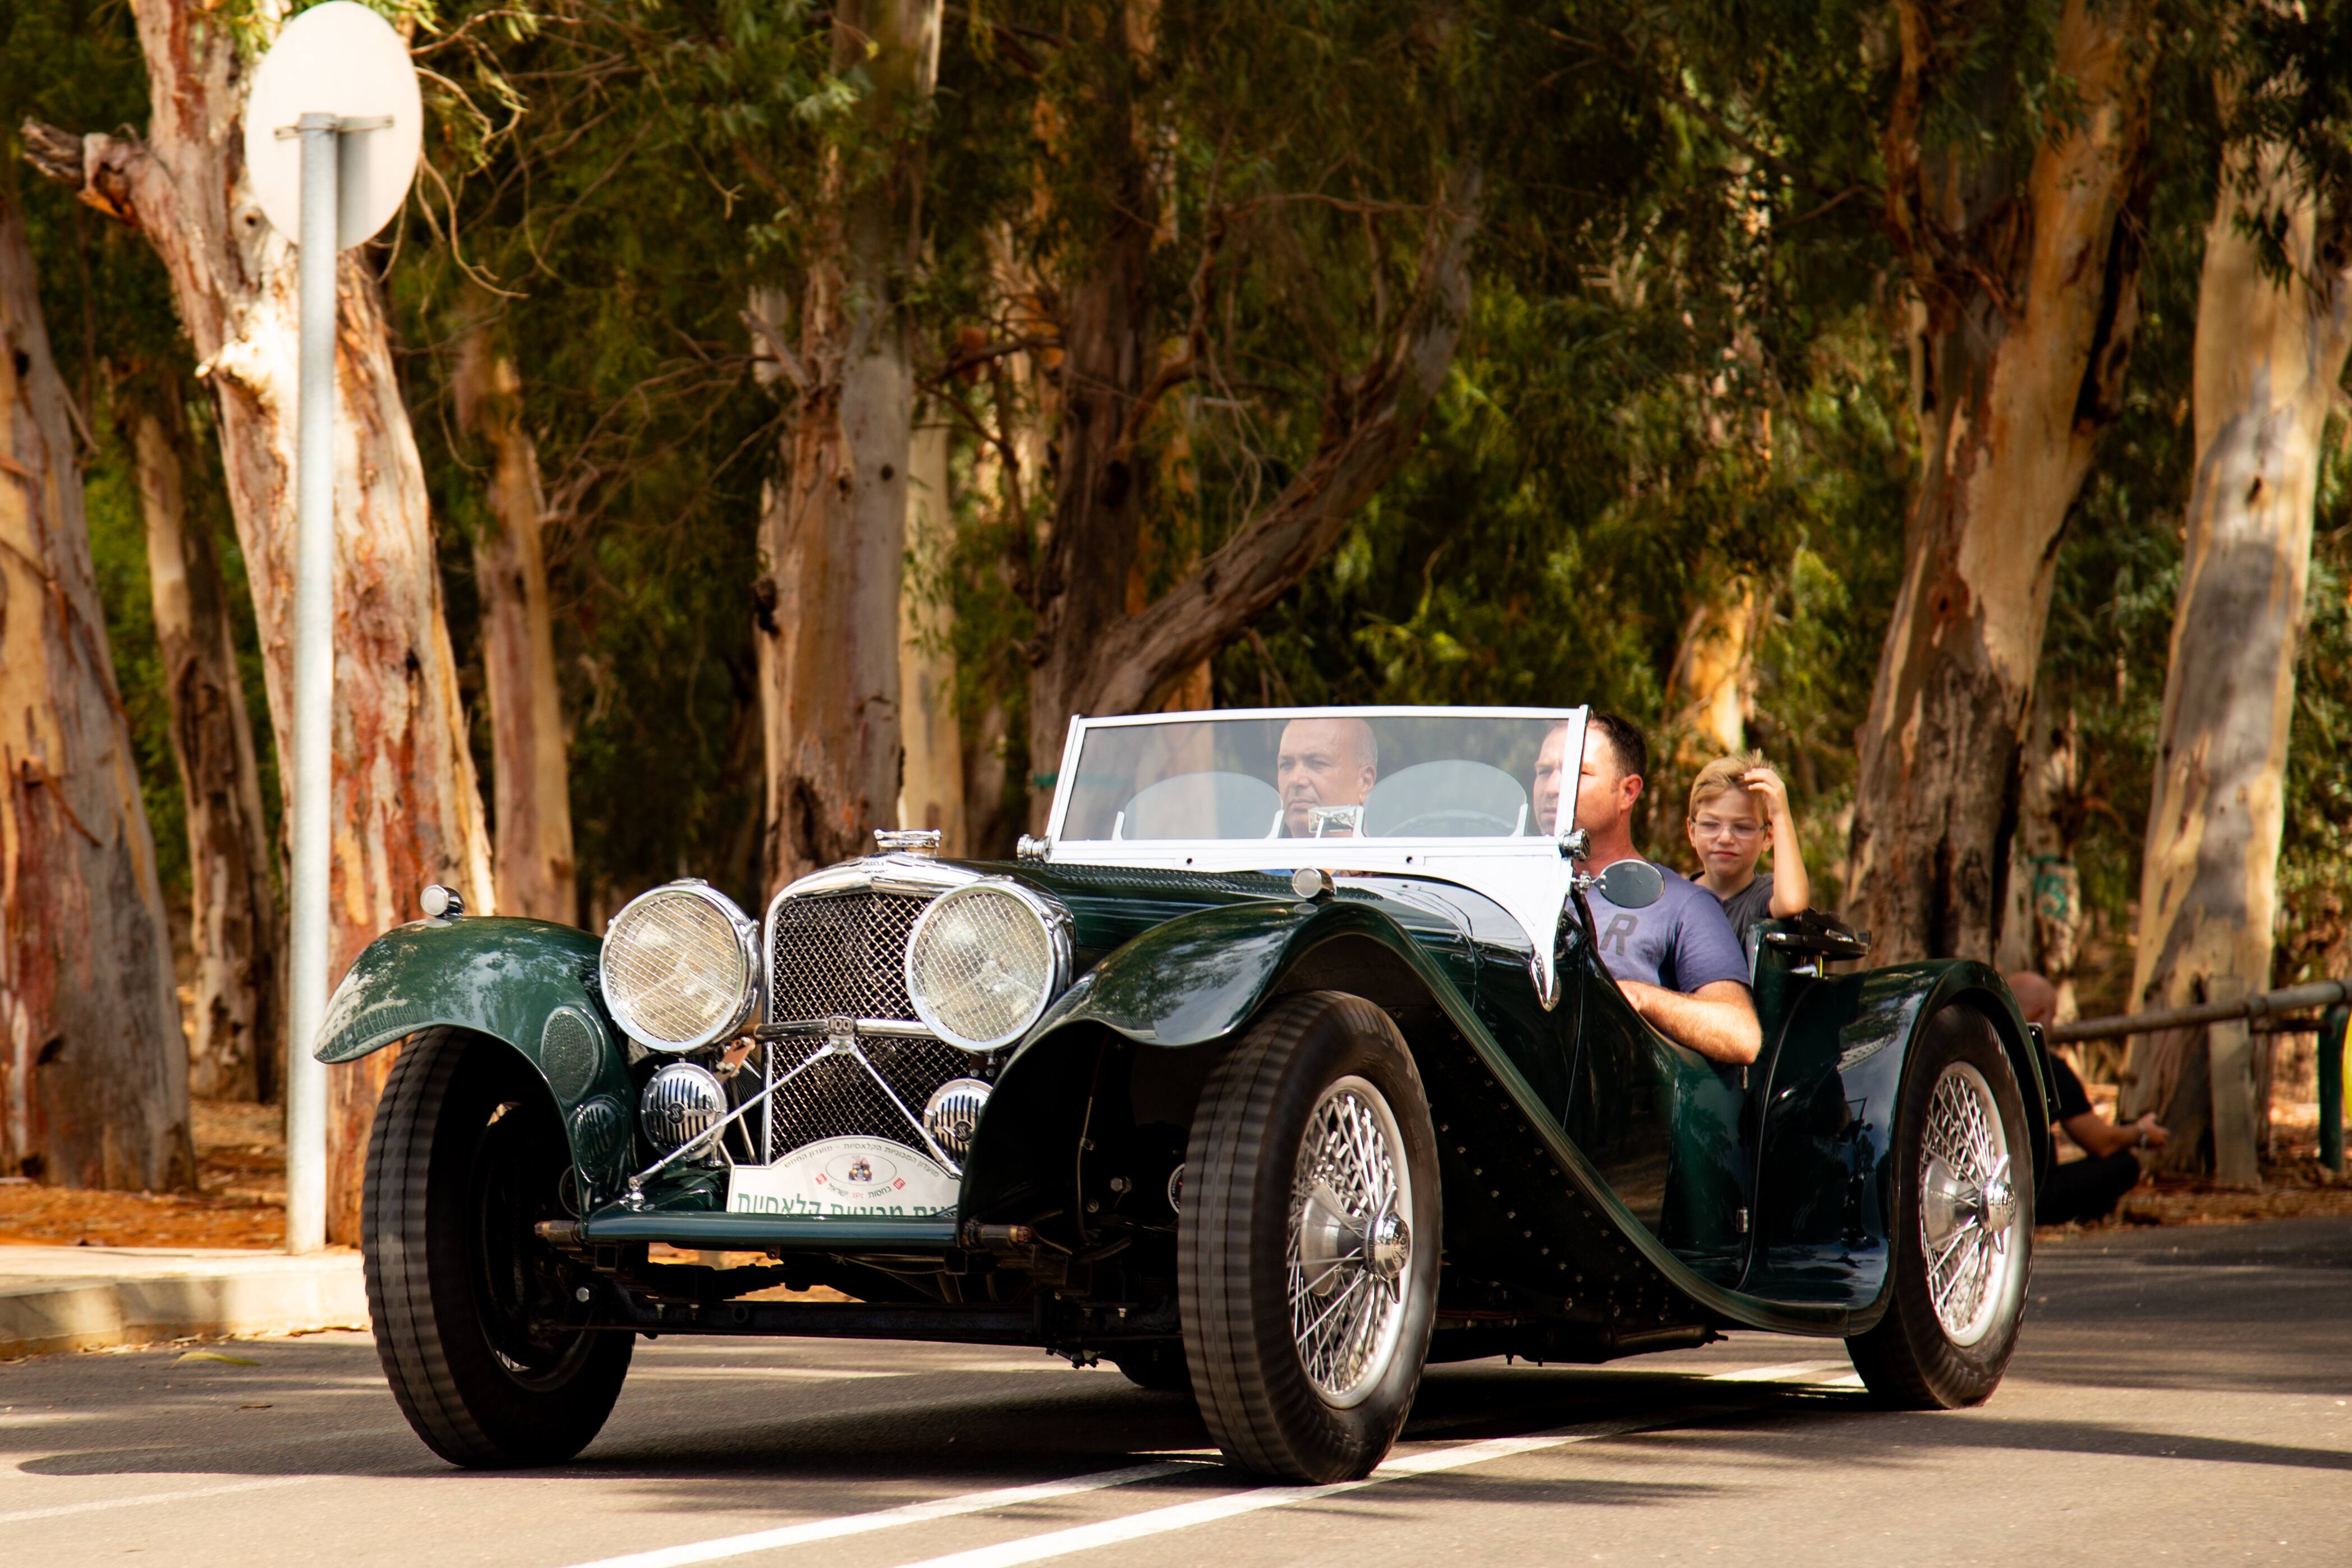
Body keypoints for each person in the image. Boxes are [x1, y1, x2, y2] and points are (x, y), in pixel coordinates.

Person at [1534, 714, 1762, 1065]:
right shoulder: (1509, 894)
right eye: (1543, 772)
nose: (1552, 788)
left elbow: (1741, 1033)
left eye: (1579, 773)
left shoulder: (1683, 903)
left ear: (1628, 792)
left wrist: (1638, 997)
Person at [2009, 971, 2168, 1226]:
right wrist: (2140, 1132)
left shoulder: (1982, 1060)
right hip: (2036, 1196)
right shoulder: (2048, 1068)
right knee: (2123, 1165)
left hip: (1983, 1189)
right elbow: (2100, 1143)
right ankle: (2090, 1219)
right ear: (2040, 1016)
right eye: (2053, 1017)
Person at [1685, 752, 1812, 944]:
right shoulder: (1676, 898)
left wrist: (1780, 815)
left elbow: (1792, 903)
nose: (1726, 838)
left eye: (1743, 827)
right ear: (1692, 832)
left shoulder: (1762, 897)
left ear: (1768, 837)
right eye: (1711, 825)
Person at [1276, 716, 1377, 838]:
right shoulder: (1253, 853)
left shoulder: (1397, 853)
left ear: (1364, 782)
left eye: (1317, 763)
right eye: (1286, 765)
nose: (1296, 780)